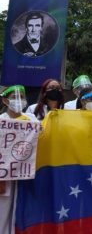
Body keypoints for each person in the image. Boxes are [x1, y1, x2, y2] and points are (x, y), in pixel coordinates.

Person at [0, 85, 38, 234]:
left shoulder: (31, 120)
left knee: (22, 210)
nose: (19, 100)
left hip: (25, 176)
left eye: (22, 97)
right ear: (5, 100)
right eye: (15, 97)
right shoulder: (1, 120)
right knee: (2, 210)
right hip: (4, 175)